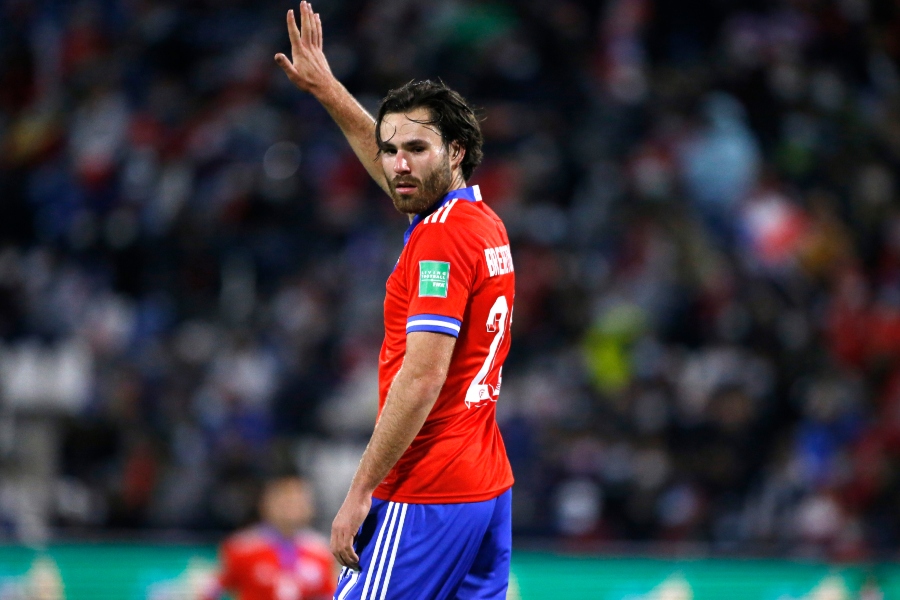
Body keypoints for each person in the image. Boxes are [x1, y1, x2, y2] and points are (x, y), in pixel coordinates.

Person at [275, 3, 516, 599]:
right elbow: (399, 175)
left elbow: (423, 375)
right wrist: (329, 89)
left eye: (416, 148)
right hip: (484, 486)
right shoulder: (481, 223)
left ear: (456, 151)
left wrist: (360, 491)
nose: (398, 165)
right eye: (390, 149)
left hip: (425, 490)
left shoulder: (439, 239)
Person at [201, 476, 337, 600]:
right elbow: (211, 591)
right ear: (265, 504)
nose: (292, 508)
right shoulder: (242, 547)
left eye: (298, 501)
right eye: (285, 501)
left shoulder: (322, 551)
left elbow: (330, 594)